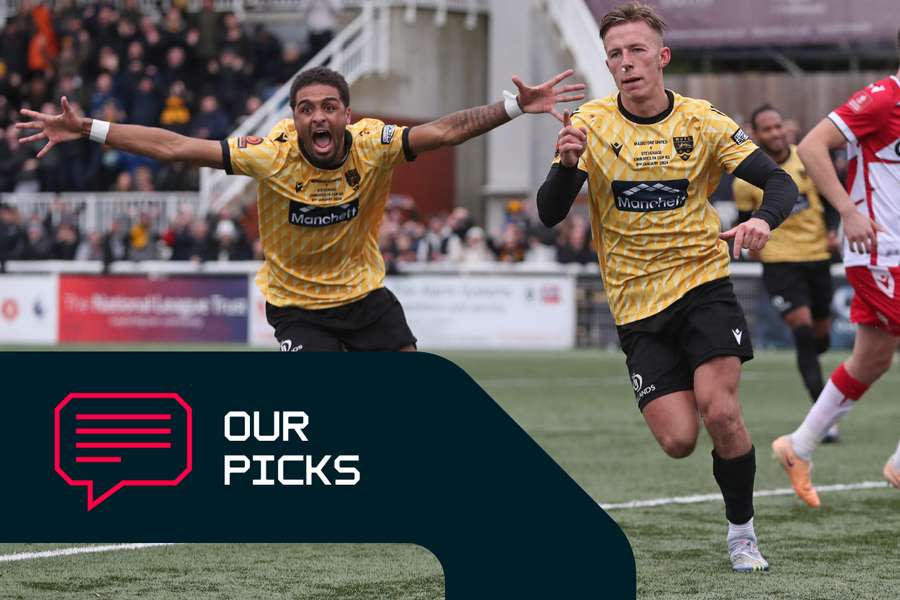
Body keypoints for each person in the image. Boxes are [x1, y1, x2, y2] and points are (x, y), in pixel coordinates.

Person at [18, 65, 584, 351]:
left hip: (366, 298)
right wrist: (89, 128)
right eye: (306, 108)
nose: (318, 117)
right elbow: (174, 146)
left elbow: (443, 132)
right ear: (293, 115)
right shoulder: (270, 154)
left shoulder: (373, 143)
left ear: (346, 113)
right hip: (296, 308)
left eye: (330, 107)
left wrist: (513, 106)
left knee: (419, 399)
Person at [536, 2, 798, 572]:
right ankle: (723, 457)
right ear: (607, 64)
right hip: (635, 305)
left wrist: (763, 220)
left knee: (721, 413)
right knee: (679, 439)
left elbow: (779, 181)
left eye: (636, 51)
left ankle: (742, 535)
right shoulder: (591, 123)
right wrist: (563, 164)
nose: (626, 63)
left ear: (662, 57)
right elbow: (550, 214)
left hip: (704, 284)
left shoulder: (703, 121)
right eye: (615, 54)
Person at [772, 31, 900, 506]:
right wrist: (847, 211)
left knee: (872, 359)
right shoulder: (884, 99)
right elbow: (810, 146)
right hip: (877, 253)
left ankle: (798, 446)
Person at [733, 104, 842, 442]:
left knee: (820, 337)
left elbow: (830, 200)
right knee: (804, 333)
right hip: (779, 263)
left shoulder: (808, 158)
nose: (776, 133)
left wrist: (832, 230)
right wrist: (750, 241)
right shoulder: (746, 178)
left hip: (817, 258)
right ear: (756, 134)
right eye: (767, 129)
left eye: (778, 126)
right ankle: (824, 419)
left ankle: (821, 391)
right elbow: (744, 218)